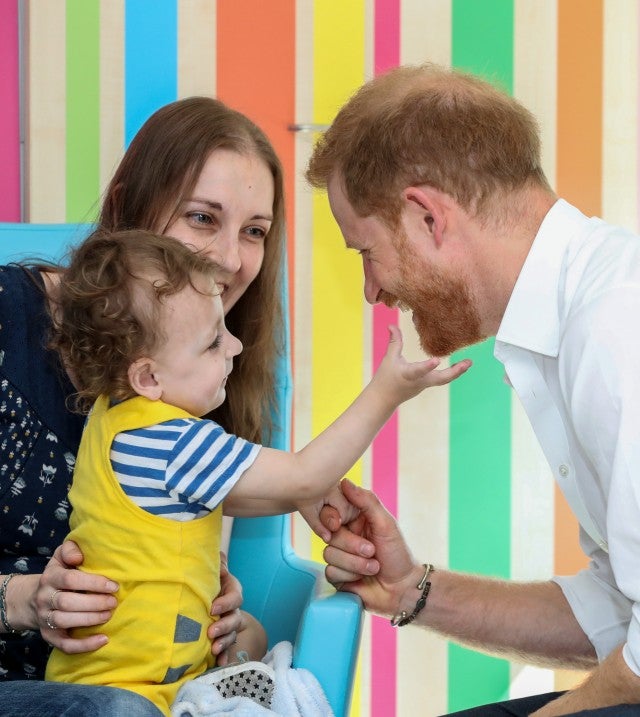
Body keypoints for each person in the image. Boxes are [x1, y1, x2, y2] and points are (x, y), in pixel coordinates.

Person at [307, 63, 640, 716]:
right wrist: (411, 589)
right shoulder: (577, 315)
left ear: (428, 216)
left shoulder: (613, 325)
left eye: (366, 252)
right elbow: (616, 614)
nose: (372, 292)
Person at [42, 228, 469, 715]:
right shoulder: (174, 443)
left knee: (255, 636)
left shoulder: (114, 421)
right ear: (148, 377)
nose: (236, 345)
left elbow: (288, 489)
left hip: (129, 678)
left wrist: (309, 492)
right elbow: (304, 476)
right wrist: (385, 393)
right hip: (125, 692)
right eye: (212, 342)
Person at [0, 96, 290, 716]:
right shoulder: (7, 317)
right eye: (203, 218)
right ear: (128, 207)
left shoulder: (211, 380)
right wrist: (21, 600)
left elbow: (238, 638)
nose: (231, 259)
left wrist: (229, 629)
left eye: (255, 232)